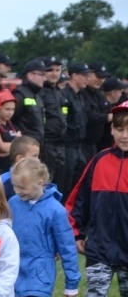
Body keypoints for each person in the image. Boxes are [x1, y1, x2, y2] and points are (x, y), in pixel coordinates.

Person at [67, 101, 128, 297]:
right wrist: (77, 232)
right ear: (112, 130)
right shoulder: (100, 160)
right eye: (120, 128)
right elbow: (78, 200)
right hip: (100, 247)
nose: (125, 135)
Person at [7, 159, 79, 297]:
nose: (18, 192)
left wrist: (72, 283)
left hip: (39, 273)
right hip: (16, 270)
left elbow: (67, 246)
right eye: (16, 187)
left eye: (23, 188)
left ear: (41, 182)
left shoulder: (55, 211)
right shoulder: (14, 203)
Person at [61, 62, 92, 201]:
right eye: (84, 75)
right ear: (74, 76)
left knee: (79, 181)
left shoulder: (79, 95)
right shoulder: (65, 95)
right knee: (66, 183)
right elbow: (64, 121)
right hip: (68, 145)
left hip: (79, 145)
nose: (87, 78)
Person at [38, 56, 68, 183]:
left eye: (57, 70)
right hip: (46, 145)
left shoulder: (60, 92)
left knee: (60, 183)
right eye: (50, 70)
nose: (54, 73)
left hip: (60, 145)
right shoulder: (39, 92)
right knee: (45, 182)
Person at [12, 59, 47, 149]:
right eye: (42, 74)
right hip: (25, 149)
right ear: (30, 75)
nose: (45, 78)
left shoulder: (37, 96)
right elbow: (11, 122)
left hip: (37, 147)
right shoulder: (19, 95)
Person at [80, 62, 110, 161]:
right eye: (98, 76)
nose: (101, 80)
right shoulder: (82, 93)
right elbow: (87, 116)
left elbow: (108, 110)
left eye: (103, 77)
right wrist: (107, 117)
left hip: (97, 143)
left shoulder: (99, 95)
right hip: (83, 143)